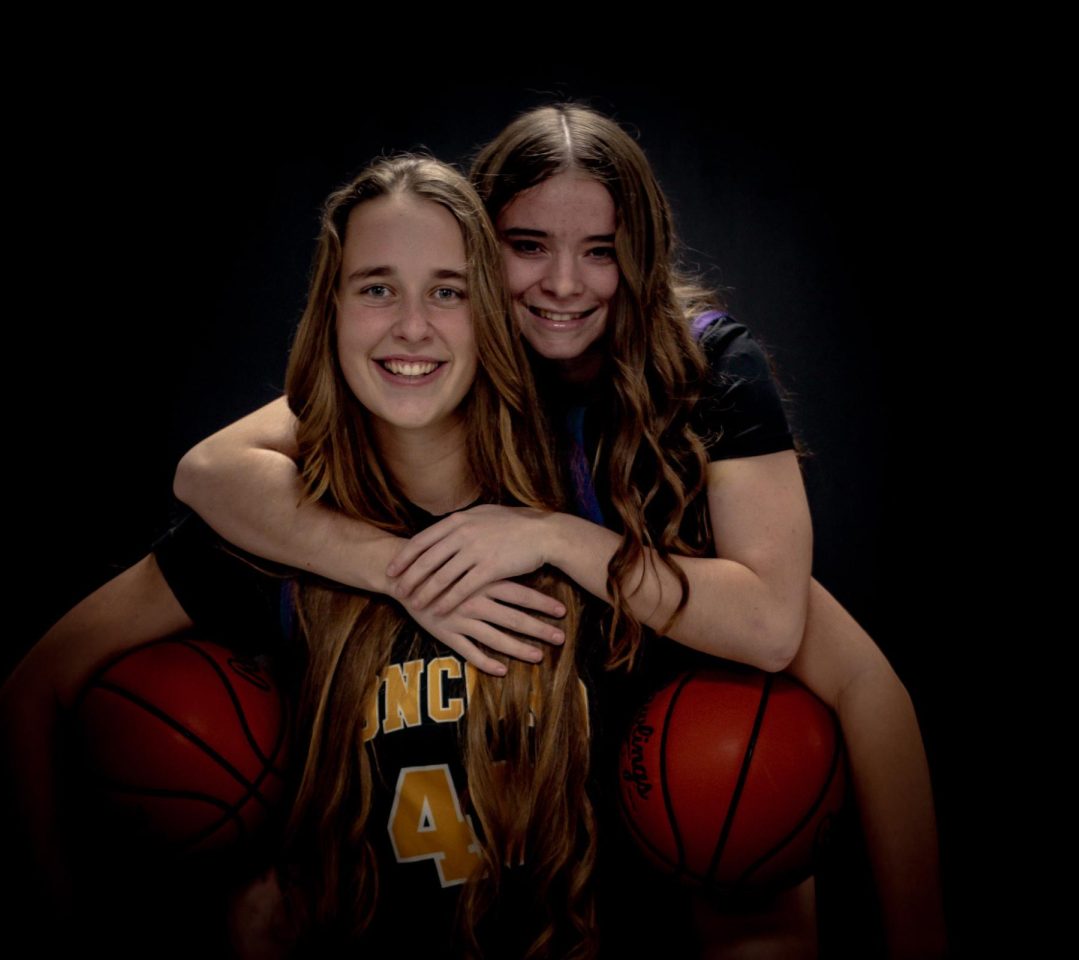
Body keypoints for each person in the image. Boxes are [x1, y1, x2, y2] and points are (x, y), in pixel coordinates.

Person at [175, 105, 947, 958]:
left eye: (601, 250)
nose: (564, 285)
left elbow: (798, 642)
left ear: (641, 253)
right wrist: (399, 568)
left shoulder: (695, 382)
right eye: (528, 246)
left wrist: (551, 535)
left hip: (709, 762)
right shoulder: (439, 365)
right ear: (473, 246)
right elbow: (209, 471)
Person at [0, 154, 599, 959]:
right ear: (332, 311)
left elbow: (761, 635)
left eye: (447, 291)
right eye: (377, 287)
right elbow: (31, 694)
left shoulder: (582, 494)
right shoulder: (277, 524)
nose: (412, 326)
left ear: (490, 311)